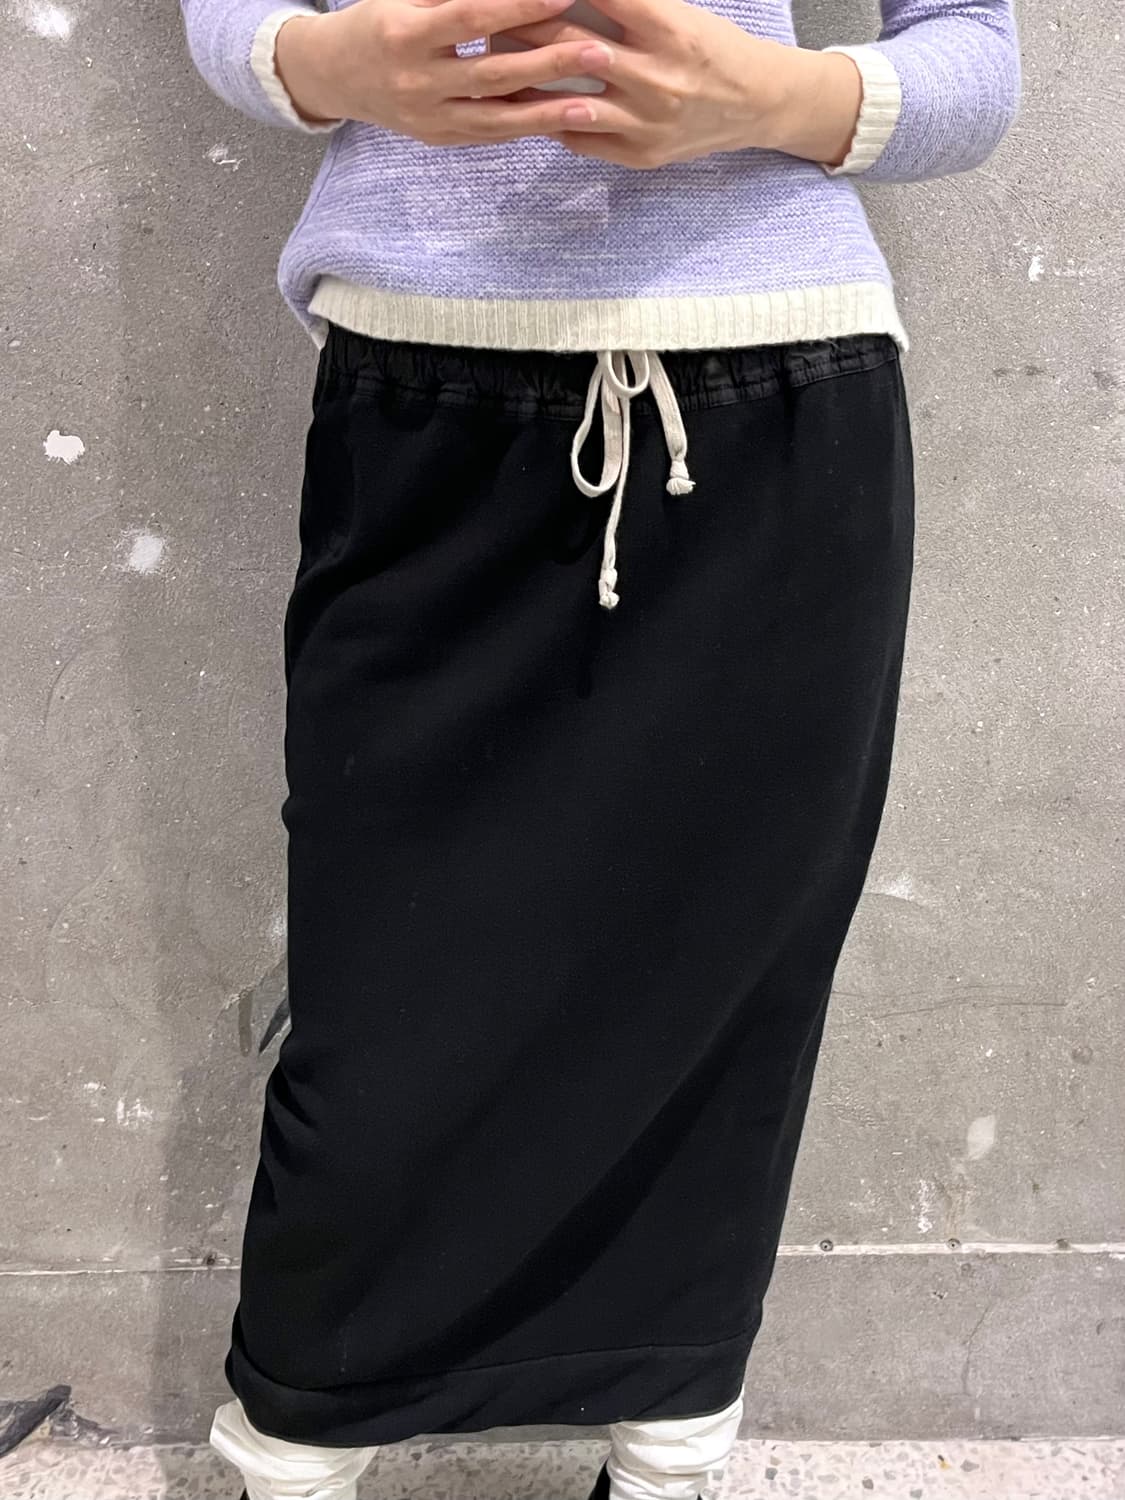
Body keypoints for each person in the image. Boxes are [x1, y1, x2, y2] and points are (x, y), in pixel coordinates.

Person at [176, 0, 1020, 1496]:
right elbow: (232, 15)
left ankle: (670, 1446)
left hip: (782, 393)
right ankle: (302, 1436)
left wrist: (771, 98)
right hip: (420, 395)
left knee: (724, 984)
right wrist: (329, 67)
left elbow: (973, 58)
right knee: (384, 994)